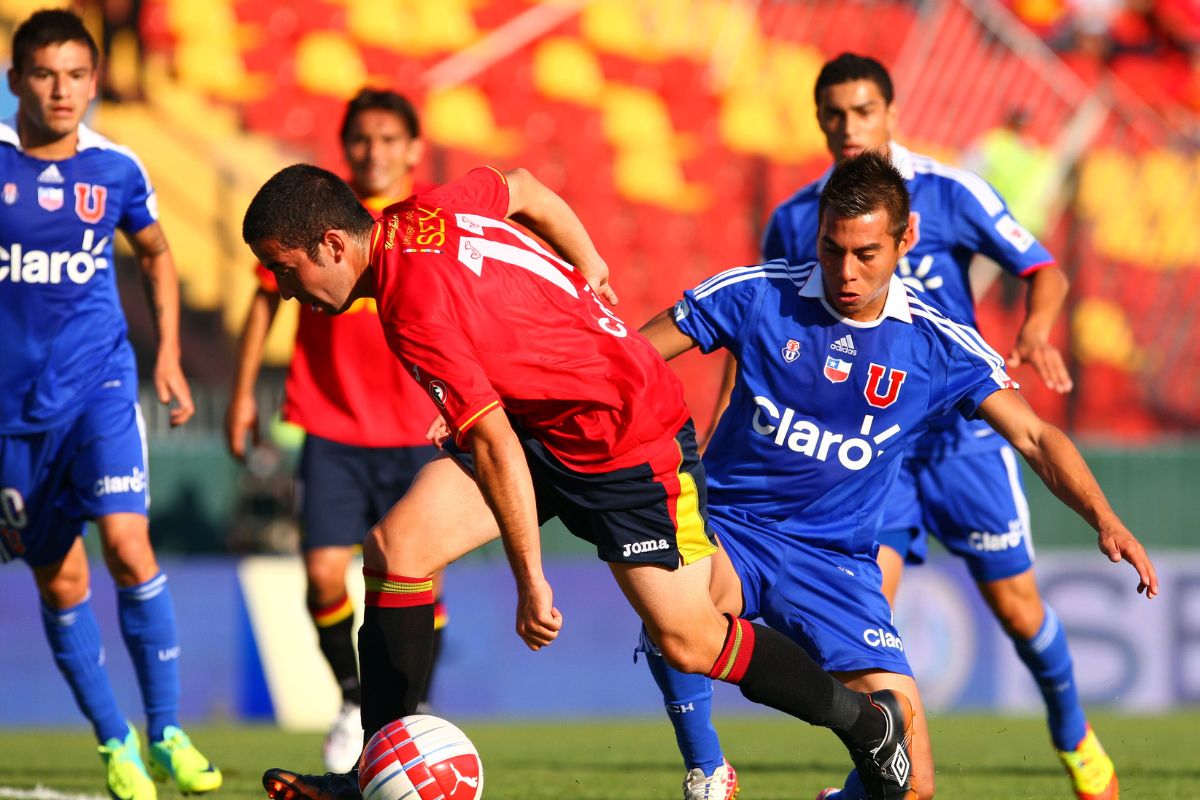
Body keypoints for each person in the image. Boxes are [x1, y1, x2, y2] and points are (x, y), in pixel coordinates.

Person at [243, 163, 921, 800]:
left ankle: (865, 723)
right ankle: (372, 774)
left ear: (332, 244)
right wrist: (588, 262)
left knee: (689, 639)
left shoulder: (408, 304)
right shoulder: (423, 212)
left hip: (630, 440)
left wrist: (530, 578)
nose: (283, 288)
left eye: (284, 268)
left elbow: (496, 447)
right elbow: (525, 186)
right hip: (547, 426)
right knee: (398, 549)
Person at [648, 53, 1121, 800]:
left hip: (950, 437)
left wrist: (1038, 332)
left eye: (862, 110)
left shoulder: (948, 204)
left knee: (1012, 617)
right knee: (674, 596)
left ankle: (1067, 730)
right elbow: (742, 349)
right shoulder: (788, 233)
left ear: (906, 238)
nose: (848, 127)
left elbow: (1041, 298)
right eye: (833, 114)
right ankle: (713, 768)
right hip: (844, 475)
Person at [0, 10, 220, 800]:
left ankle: (165, 730)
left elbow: (156, 254)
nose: (63, 92)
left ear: (95, 82)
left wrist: (164, 353)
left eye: (77, 76)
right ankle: (114, 742)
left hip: (98, 385)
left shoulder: (117, 169)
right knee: (61, 585)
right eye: (45, 74)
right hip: (10, 420)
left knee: (129, 545)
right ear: (17, 77)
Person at [224, 88, 446, 773]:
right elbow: (267, 299)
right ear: (346, 145)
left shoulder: (428, 220)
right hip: (332, 424)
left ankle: (412, 715)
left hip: (417, 427)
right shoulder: (318, 218)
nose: (373, 152)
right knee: (324, 576)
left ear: (412, 149)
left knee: (417, 583)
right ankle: (354, 701)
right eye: (362, 140)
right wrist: (241, 395)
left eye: (388, 140)